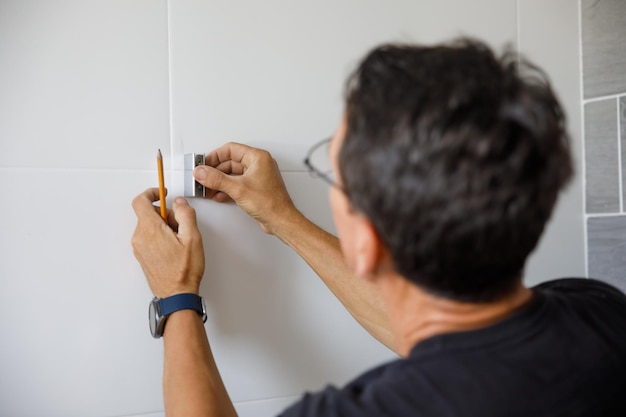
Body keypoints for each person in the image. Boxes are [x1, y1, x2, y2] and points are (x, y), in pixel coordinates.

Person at [131, 38, 626, 417]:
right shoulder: (600, 312)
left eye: (334, 176)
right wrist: (282, 219)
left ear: (365, 242)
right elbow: (446, 337)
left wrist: (176, 297)